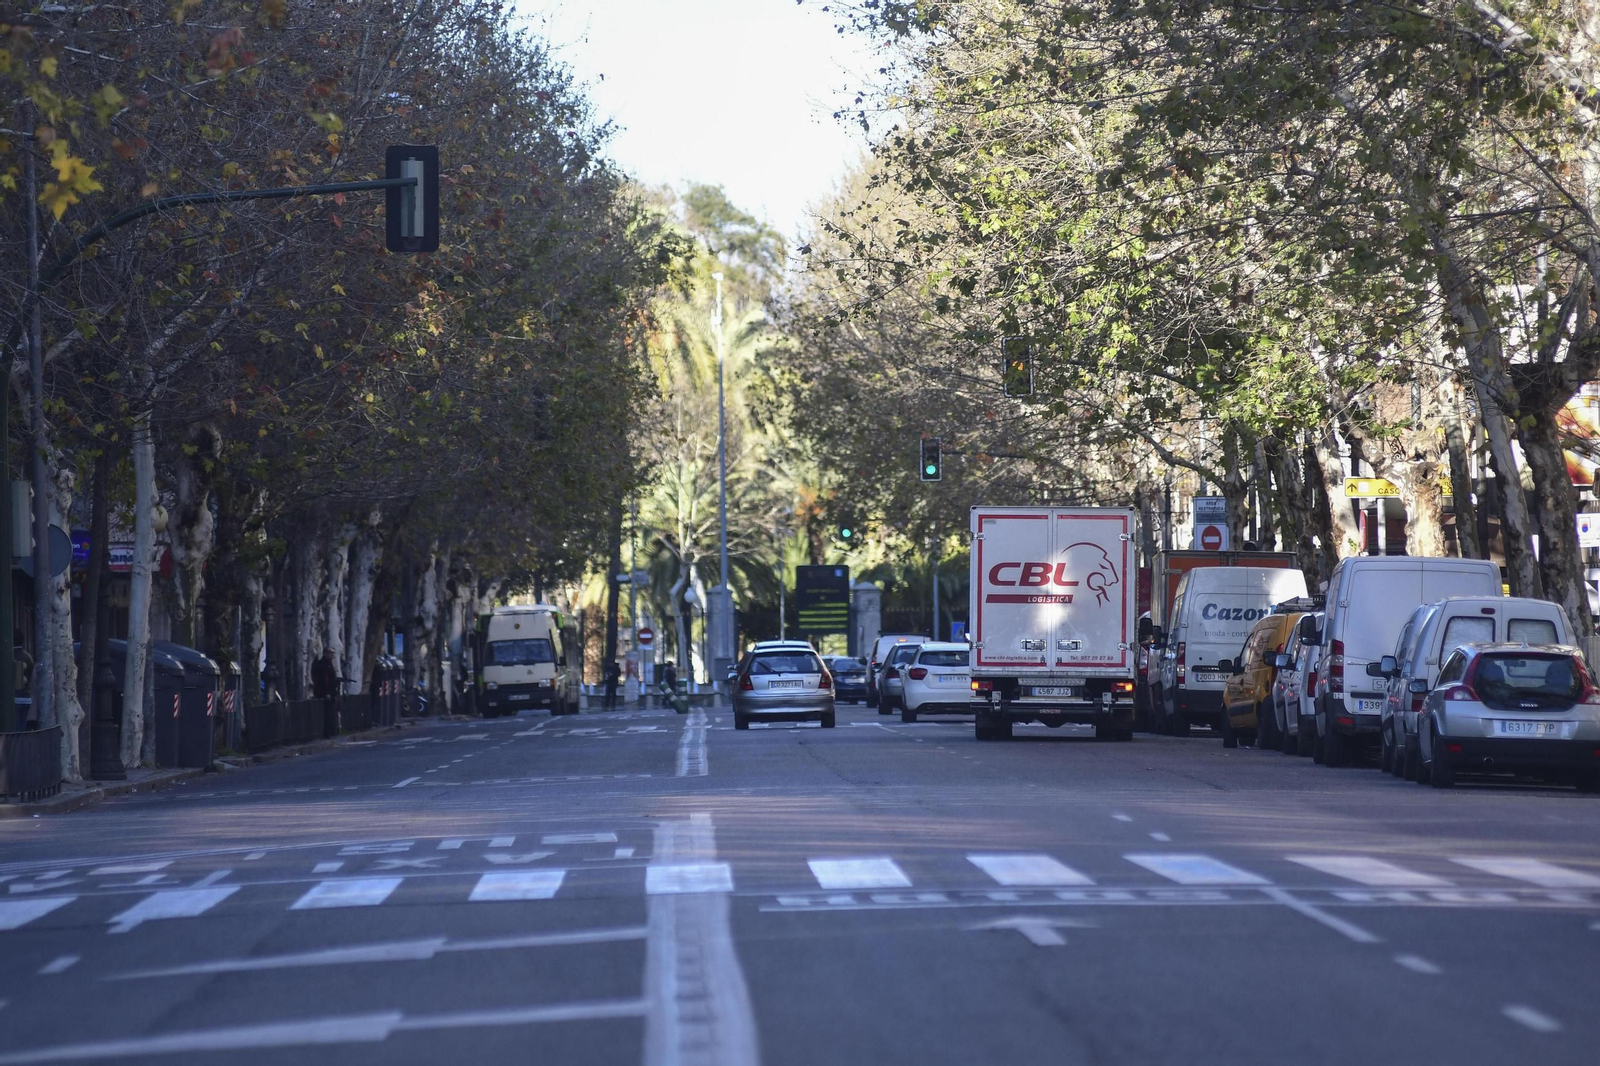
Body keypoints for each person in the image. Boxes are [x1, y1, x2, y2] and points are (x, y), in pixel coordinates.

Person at [311, 647, 339, 738]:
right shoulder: (323, 665)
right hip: (325, 694)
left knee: (330, 713)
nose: (332, 655)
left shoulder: (329, 664)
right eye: (330, 653)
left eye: (333, 653)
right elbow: (324, 680)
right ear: (325, 654)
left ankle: (330, 731)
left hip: (330, 693)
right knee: (326, 714)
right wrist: (327, 693)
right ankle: (326, 733)